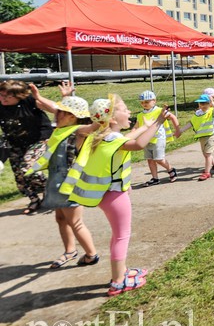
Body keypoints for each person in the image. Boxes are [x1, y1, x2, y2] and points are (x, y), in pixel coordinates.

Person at [65, 94, 168, 296]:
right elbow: (138, 145)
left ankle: (120, 272)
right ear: (112, 118)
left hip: (106, 195)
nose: (129, 111)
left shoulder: (101, 137)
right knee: (122, 236)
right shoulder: (113, 139)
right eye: (124, 109)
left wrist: (143, 126)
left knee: (117, 235)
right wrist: (158, 122)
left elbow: (127, 138)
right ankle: (118, 281)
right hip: (115, 196)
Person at [27, 85, 99, 269]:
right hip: (56, 183)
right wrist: (55, 97)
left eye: (61, 113)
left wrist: (104, 114)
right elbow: (51, 107)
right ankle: (70, 250)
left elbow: (93, 126)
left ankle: (91, 254)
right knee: (60, 219)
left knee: (75, 221)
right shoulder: (61, 130)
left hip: (70, 185)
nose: (55, 115)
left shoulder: (79, 131)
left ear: (72, 117)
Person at [0, 80, 54, 214]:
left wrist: (39, 97)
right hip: (15, 142)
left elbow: (56, 109)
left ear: (19, 96)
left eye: (7, 96)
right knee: (19, 175)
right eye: (1, 95)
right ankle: (34, 200)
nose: (3, 99)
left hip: (39, 139)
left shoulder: (29, 101)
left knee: (28, 168)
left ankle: (51, 187)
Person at [134, 90, 179, 186]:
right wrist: (131, 135)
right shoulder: (140, 115)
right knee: (150, 159)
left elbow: (173, 117)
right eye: (142, 102)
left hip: (158, 139)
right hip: (146, 141)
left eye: (147, 102)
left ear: (154, 100)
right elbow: (136, 126)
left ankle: (171, 169)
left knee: (159, 159)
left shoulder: (159, 111)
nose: (144, 104)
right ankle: (155, 178)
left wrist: (177, 129)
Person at [175, 94, 214, 181]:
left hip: (210, 136)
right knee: (206, 154)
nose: (202, 106)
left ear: (209, 104)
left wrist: (213, 102)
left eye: (205, 103)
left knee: (208, 155)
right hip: (202, 137)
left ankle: (206, 173)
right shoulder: (198, 113)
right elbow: (191, 123)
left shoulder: (212, 111)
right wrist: (180, 131)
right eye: (200, 104)